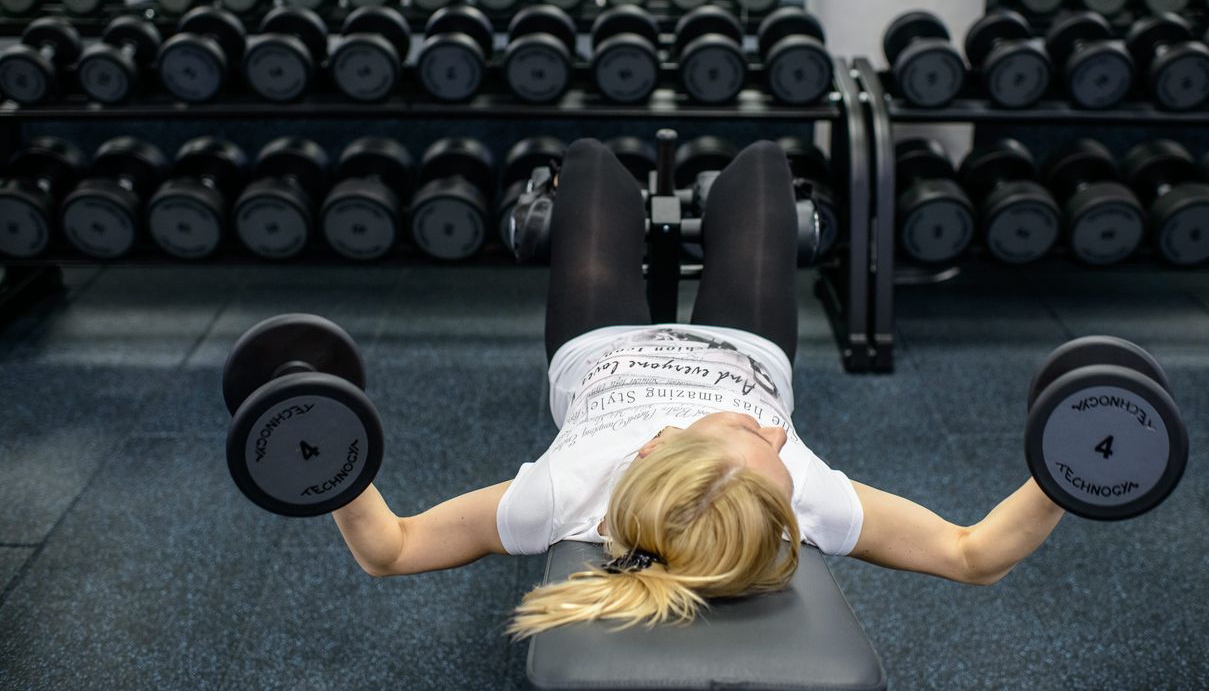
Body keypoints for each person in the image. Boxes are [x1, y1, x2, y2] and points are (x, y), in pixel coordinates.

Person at [327, 138, 1066, 638]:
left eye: (747, 431)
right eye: (774, 444)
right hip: (745, 349)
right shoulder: (793, 501)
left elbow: (391, 547)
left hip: (601, 345)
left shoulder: (562, 492)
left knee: (591, 165)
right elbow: (974, 554)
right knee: (759, 166)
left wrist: (326, 450)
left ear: (658, 444)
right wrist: (1072, 471)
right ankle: (721, 200)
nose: (778, 434)